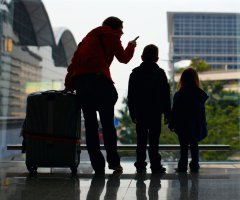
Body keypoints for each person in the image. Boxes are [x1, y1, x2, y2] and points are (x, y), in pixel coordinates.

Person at [64, 16, 138, 174]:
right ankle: (114, 163)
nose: (122, 33)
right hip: (99, 83)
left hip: (82, 86)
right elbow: (124, 59)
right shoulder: (112, 36)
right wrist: (131, 45)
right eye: (121, 29)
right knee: (108, 127)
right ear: (115, 27)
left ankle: (98, 166)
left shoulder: (86, 39)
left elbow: (74, 64)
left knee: (91, 127)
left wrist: (68, 85)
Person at [127, 44, 171, 174]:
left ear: (142, 57)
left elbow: (131, 95)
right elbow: (165, 95)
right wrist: (167, 113)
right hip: (155, 112)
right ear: (157, 58)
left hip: (140, 112)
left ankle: (140, 164)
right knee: (154, 141)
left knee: (141, 140)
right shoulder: (160, 73)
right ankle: (155, 165)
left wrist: (132, 112)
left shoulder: (135, 74)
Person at [169, 68, 208, 173]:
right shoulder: (199, 94)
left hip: (182, 125)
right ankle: (194, 165)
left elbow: (175, 110)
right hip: (195, 124)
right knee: (194, 145)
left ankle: (182, 165)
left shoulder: (179, 94)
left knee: (183, 146)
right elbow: (201, 112)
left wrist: (172, 123)